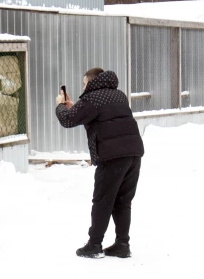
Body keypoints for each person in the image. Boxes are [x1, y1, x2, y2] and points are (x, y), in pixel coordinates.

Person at [55, 68, 144, 258]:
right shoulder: (118, 95)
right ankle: (122, 244)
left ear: (92, 82)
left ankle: (94, 244)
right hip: (134, 152)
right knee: (122, 201)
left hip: (112, 156)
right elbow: (95, 114)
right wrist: (76, 107)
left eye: (84, 82)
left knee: (103, 200)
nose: (83, 86)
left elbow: (68, 120)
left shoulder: (92, 98)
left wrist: (60, 106)